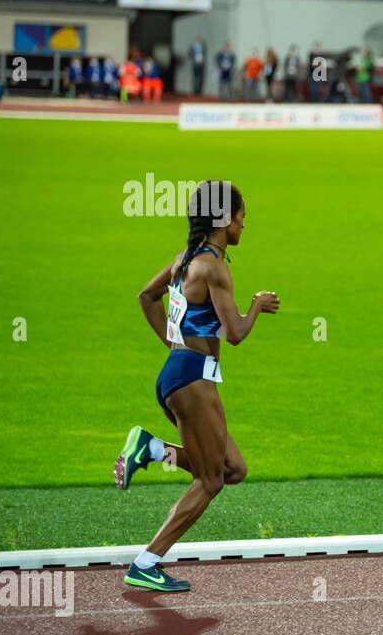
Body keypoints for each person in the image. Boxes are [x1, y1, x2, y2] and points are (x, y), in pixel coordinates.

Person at [114, 181, 280, 591]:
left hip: (182, 372)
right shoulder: (214, 268)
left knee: (232, 469)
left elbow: (145, 297)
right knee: (210, 482)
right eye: (242, 216)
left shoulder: (185, 259)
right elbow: (235, 332)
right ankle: (146, 563)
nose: (244, 224)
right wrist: (257, 306)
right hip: (192, 378)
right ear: (224, 219)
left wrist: (176, 349)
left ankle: (151, 449)